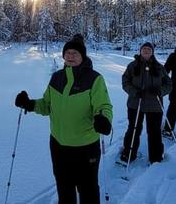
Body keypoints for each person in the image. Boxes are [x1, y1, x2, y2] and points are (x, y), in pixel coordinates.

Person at [14, 34, 113, 204]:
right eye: (67, 53)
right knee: (64, 188)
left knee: (88, 189)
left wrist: (103, 119)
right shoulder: (57, 78)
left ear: (83, 56)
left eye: (75, 53)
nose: (71, 56)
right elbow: (47, 105)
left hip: (86, 146)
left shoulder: (94, 79)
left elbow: (103, 105)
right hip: (58, 146)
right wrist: (29, 104)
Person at [120, 42, 172, 164]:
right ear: (140, 51)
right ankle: (128, 153)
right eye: (144, 49)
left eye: (149, 49)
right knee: (133, 129)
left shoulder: (159, 67)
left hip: (155, 105)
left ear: (152, 52)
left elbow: (169, 84)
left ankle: (156, 157)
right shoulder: (132, 66)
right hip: (135, 103)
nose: (146, 51)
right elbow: (125, 81)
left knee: (154, 131)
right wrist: (135, 92)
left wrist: (160, 91)